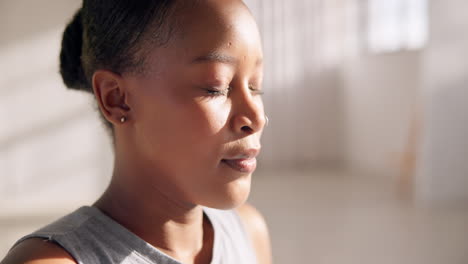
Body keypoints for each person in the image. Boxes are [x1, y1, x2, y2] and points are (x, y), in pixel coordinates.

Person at [1, 0, 272, 263]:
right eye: (216, 87)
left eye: (255, 86)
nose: (257, 117)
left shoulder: (247, 233)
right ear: (117, 99)